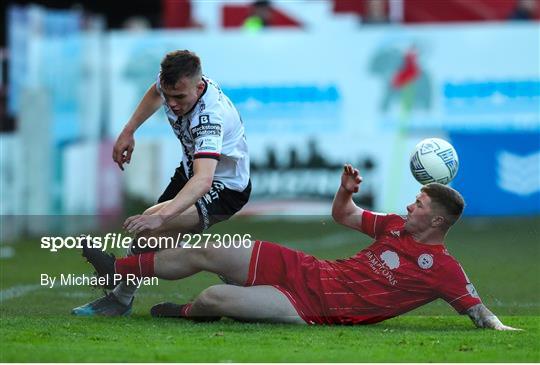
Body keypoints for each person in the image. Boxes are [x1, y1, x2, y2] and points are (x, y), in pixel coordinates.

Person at [80, 164, 518, 330]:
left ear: (438, 220)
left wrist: (505, 332)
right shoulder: (394, 226)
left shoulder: (443, 269)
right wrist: (345, 191)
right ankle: (118, 270)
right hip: (306, 268)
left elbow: (482, 315)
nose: (409, 204)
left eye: (419, 203)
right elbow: (344, 216)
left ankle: (185, 313)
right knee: (211, 249)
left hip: (308, 308)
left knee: (214, 296)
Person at [72, 50, 251, 316]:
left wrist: (163, 217)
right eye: (169, 96)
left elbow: (204, 180)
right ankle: (121, 297)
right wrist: (128, 130)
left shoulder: (210, 117)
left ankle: (118, 281)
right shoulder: (174, 82)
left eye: (178, 97)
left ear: (199, 87)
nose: (172, 104)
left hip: (223, 187)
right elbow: (156, 92)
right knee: (151, 238)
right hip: (191, 170)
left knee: (152, 225)